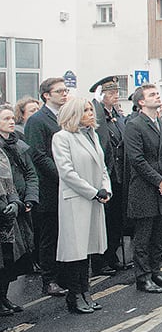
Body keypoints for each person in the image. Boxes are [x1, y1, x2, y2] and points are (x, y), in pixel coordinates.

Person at [51, 97, 111, 313]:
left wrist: (105, 189)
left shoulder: (92, 134)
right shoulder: (62, 137)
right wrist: (93, 192)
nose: (90, 113)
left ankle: (86, 292)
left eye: (90, 109)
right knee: (76, 251)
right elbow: (67, 172)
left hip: (94, 198)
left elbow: (102, 166)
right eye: (85, 110)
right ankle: (74, 295)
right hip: (76, 200)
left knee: (88, 249)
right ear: (74, 114)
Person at [125, 83, 162, 293]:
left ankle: (156, 272)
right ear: (141, 102)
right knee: (143, 236)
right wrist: (159, 181)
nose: (158, 97)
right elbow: (137, 160)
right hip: (145, 189)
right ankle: (143, 277)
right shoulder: (134, 125)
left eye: (158, 94)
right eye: (152, 95)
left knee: (158, 235)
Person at [23, 77, 69, 297]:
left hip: (66, 187)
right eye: (59, 91)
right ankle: (49, 279)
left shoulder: (65, 117)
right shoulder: (38, 120)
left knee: (64, 233)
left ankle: (63, 275)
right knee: (49, 236)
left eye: (65, 90)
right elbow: (38, 155)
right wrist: (64, 175)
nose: (64, 94)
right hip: (50, 187)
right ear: (46, 95)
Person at [0, 104, 37, 317]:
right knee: (4, 258)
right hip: (4, 210)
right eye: (6, 119)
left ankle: (3, 297)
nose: (12, 121)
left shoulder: (17, 145)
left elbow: (26, 175)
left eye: (11, 118)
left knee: (11, 257)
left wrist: (26, 199)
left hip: (15, 208)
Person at [89, 76, 128, 276]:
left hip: (119, 175)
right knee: (103, 220)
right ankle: (100, 260)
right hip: (106, 174)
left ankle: (112, 254)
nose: (116, 96)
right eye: (111, 93)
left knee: (116, 220)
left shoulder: (117, 117)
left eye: (116, 93)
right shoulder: (97, 116)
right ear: (101, 95)